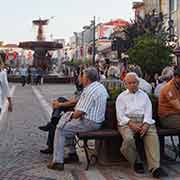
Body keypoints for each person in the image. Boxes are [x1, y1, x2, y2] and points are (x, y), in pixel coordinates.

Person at [47, 67, 109, 171]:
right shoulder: (100, 87)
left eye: (83, 76)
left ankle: (58, 161)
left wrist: (70, 116)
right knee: (66, 123)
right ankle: (72, 154)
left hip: (90, 122)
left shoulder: (90, 91)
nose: (81, 79)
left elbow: (79, 113)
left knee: (61, 129)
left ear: (87, 78)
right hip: (97, 120)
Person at [116, 72, 167, 178]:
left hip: (144, 121)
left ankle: (155, 168)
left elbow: (149, 111)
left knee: (152, 135)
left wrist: (146, 124)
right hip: (127, 122)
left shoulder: (144, 96)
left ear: (138, 83)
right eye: (129, 83)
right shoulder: (121, 97)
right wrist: (131, 124)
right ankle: (136, 161)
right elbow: (120, 116)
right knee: (128, 140)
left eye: (134, 82)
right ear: (125, 84)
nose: (132, 85)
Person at [39, 72, 84, 154]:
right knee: (60, 101)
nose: (78, 79)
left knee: (56, 122)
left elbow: (74, 102)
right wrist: (58, 104)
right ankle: (53, 121)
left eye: (79, 77)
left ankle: (52, 146)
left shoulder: (85, 89)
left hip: (77, 112)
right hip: (75, 110)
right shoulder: (80, 89)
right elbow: (72, 100)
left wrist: (59, 104)